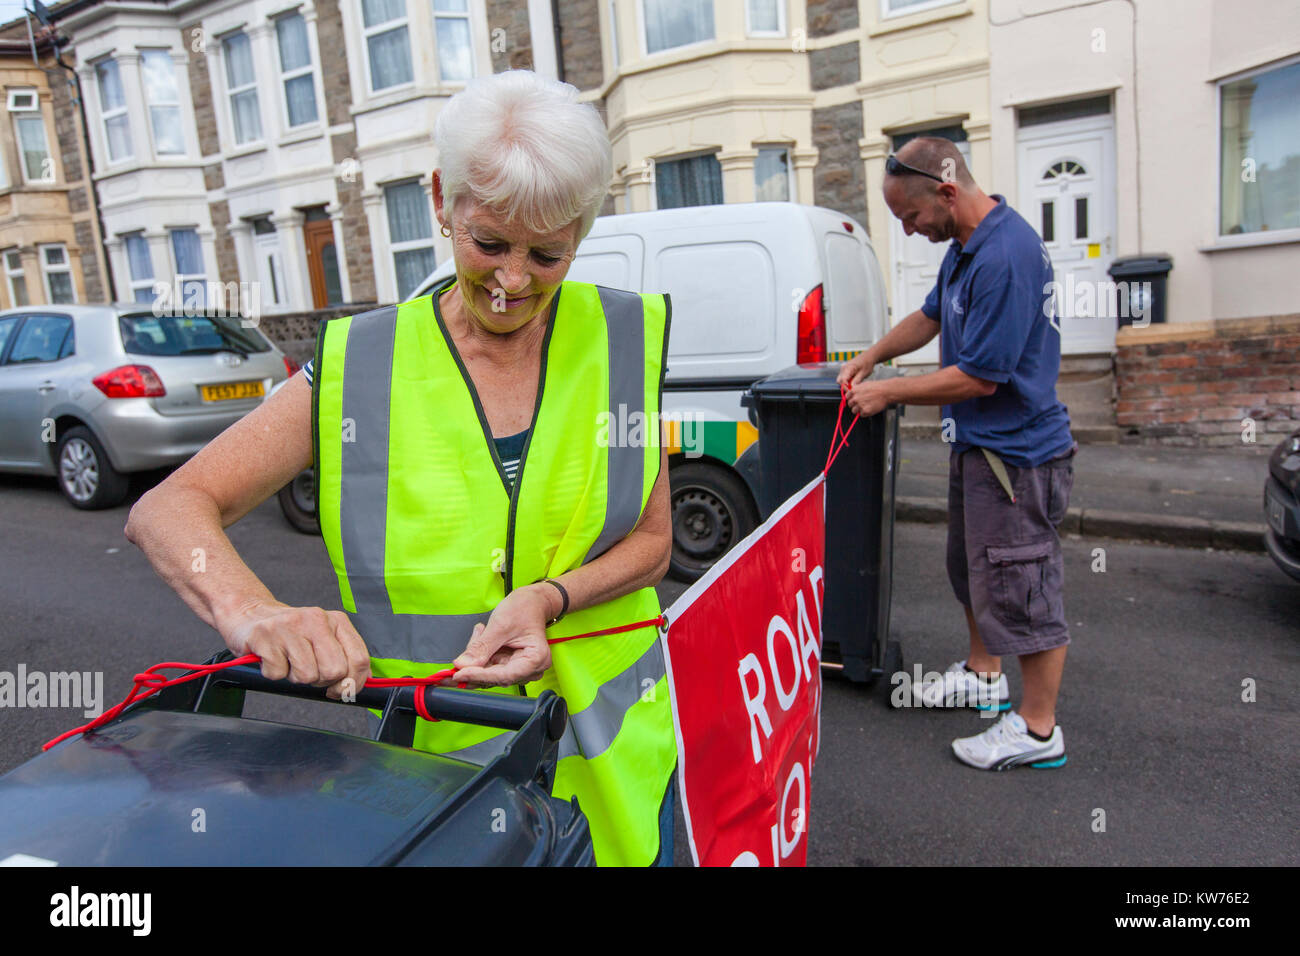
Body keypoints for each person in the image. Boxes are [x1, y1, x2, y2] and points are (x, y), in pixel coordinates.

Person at [125, 70, 678, 864]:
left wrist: (551, 598)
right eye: (487, 242)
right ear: (440, 200)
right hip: (441, 774)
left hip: (614, 763)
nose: (513, 281)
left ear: (585, 228)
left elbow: (653, 544)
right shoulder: (362, 363)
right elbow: (168, 508)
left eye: (548, 253)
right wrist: (256, 614)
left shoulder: (624, 339)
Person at [837, 137, 1076, 771]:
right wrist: (871, 355)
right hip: (978, 447)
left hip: (1018, 457)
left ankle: (1036, 728)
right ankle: (983, 674)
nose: (911, 232)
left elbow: (981, 377)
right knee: (974, 571)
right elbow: (931, 315)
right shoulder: (967, 248)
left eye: (911, 219)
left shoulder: (1005, 254)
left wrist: (887, 391)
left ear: (946, 192)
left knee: (1024, 585)